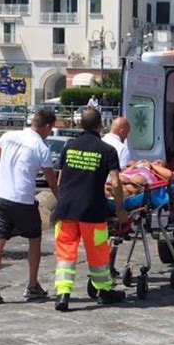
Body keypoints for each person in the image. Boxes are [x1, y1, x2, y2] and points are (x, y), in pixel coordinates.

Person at [53, 108, 128, 311]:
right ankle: (104, 291)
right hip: (92, 210)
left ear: (79, 125)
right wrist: (120, 209)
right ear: (100, 125)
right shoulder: (107, 150)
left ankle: (63, 294)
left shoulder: (69, 147)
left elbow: (61, 181)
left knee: (66, 254)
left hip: (66, 209)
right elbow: (115, 182)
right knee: (97, 254)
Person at [0, 109, 58, 306]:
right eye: (51, 129)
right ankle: (32, 285)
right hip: (23, 198)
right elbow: (50, 178)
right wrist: (61, 197)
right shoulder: (41, 147)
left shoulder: (9, 136)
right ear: (47, 126)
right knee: (34, 238)